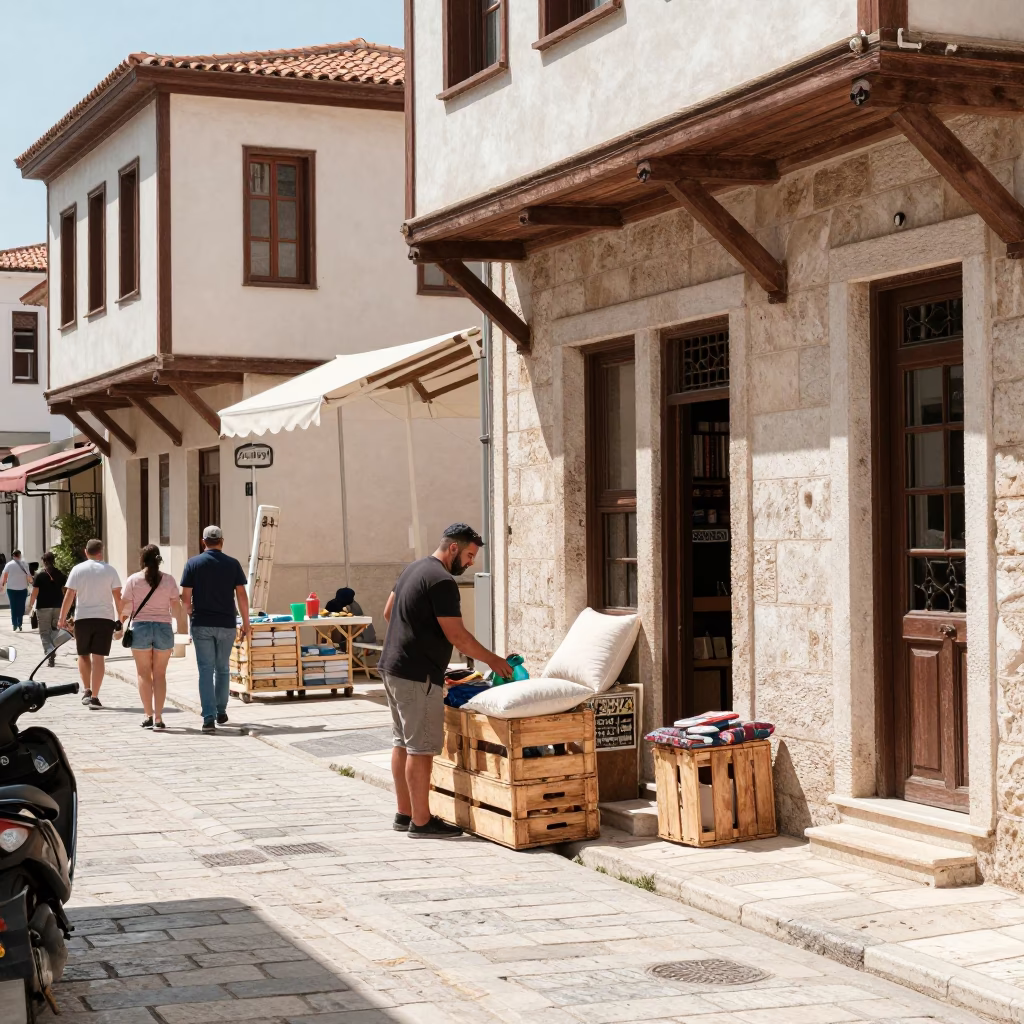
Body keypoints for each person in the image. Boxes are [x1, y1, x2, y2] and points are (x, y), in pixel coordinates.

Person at [379, 523, 513, 838]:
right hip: (418, 675)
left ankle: (404, 813)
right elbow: (457, 635)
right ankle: (422, 822)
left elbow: (388, 612)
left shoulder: (413, 569)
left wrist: (418, 635)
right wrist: (495, 661)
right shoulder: (441, 581)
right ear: (453, 548)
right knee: (421, 748)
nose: (469, 563)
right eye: (468, 555)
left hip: (392, 668)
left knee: (402, 743)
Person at [181, 525, 250, 734]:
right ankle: (221, 711)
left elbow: (185, 597)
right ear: (222, 541)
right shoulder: (233, 564)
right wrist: (246, 622)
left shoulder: (193, 564)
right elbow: (241, 595)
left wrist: (190, 612)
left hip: (202, 622)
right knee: (222, 668)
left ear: (204, 542)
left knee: (205, 670)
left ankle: (208, 718)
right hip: (227, 623)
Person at [120, 545, 182, 730]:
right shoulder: (169, 580)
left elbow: (125, 606)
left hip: (140, 627)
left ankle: (148, 714)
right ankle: (159, 718)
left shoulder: (133, 580)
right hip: (163, 627)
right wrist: (180, 627)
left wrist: (120, 623)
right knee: (160, 675)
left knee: (143, 673)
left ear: (142, 560)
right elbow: (176, 607)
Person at [57, 539, 122, 709]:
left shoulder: (77, 570)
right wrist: (121, 619)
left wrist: (62, 618)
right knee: (98, 657)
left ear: (86, 552)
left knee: (83, 654)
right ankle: (95, 696)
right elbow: (117, 597)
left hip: (83, 618)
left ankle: (86, 689)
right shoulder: (110, 570)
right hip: (105, 618)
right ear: (101, 552)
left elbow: (70, 594)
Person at [25, 552, 67, 667]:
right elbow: (65, 590)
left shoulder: (39, 575)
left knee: (44, 632)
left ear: (43, 561)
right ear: (53, 560)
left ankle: (49, 653)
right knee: (55, 630)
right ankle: (52, 650)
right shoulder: (60, 574)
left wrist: (31, 605)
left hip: (43, 607)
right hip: (58, 606)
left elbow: (35, 592)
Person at [1, 549, 32, 632]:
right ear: (20, 555)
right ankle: (20, 623)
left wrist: (2, 584)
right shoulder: (24, 564)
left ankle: (14, 624)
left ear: (13, 556)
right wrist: (31, 582)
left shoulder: (9, 564)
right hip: (22, 589)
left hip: (11, 589)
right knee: (21, 606)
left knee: (13, 606)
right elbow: (28, 576)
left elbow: (5, 576)